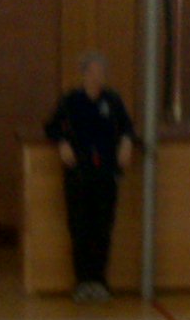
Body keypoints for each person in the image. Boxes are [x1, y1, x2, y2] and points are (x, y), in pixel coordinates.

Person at [45, 51, 138, 303]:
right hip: (79, 173)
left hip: (106, 173)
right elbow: (51, 127)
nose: (98, 77)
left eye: (102, 72)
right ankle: (82, 282)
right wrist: (62, 142)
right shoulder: (71, 100)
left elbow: (128, 126)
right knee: (80, 228)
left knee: (102, 228)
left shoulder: (112, 100)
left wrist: (127, 141)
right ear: (84, 74)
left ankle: (100, 281)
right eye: (94, 72)